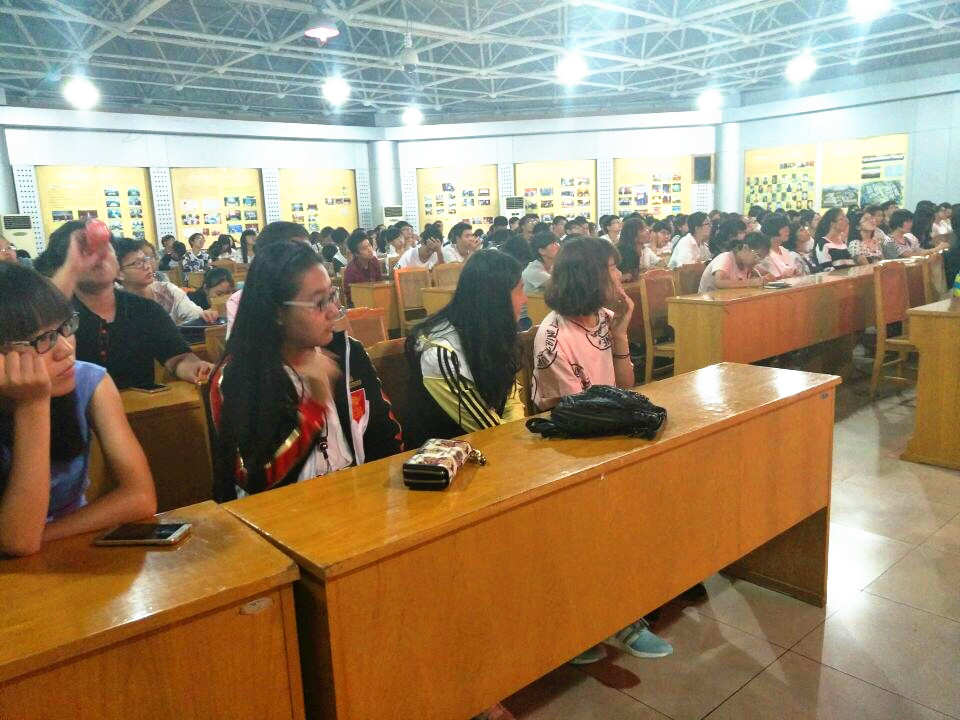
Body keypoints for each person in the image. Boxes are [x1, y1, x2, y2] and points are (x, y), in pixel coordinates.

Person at [531, 236, 673, 662]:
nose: (620, 274)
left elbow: (624, 387)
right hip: (571, 446)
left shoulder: (605, 319)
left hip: (609, 432)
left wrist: (622, 334)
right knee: (609, 512)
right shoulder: (553, 335)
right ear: (589, 275)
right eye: (612, 267)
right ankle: (611, 619)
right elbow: (578, 413)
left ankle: (638, 597)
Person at [208, 241, 401, 501]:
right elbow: (254, 477)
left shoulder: (346, 353)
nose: (334, 311)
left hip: (354, 501)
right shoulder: (239, 375)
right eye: (319, 302)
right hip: (279, 514)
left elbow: (385, 432)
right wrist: (313, 405)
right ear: (278, 312)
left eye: (332, 296)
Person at [0, 263, 157, 556]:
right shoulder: (38, 397)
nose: (66, 349)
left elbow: (140, 497)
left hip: (67, 549)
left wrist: (44, 535)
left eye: (65, 328)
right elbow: (17, 541)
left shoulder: (89, 382)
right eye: (42, 339)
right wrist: (33, 405)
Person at [35, 222, 212, 389]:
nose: (98, 258)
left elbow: (178, 357)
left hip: (143, 407)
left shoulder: (145, 310)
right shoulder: (52, 317)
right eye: (85, 252)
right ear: (63, 266)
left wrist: (194, 367)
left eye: (104, 249)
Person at [404, 250, 525, 448]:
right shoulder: (440, 352)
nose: (525, 299)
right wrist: (519, 436)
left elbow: (510, 394)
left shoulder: (490, 331)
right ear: (496, 298)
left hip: (491, 445)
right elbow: (485, 428)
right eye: (520, 290)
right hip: (446, 457)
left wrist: (518, 429)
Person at [226, 222, 311, 335]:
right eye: (297, 253)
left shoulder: (318, 290)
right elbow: (242, 343)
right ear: (269, 256)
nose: (309, 260)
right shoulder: (240, 301)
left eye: (309, 252)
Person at [115, 238, 220, 325]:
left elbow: (195, 314)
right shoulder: (114, 303)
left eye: (148, 258)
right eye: (138, 263)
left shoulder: (168, 290)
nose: (147, 265)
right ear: (119, 272)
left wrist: (205, 315)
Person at [699, 233, 772, 292]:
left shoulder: (747, 265)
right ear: (745, 248)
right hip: (707, 302)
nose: (757, 261)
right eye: (757, 256)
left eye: (761, 259)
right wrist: (751, 282)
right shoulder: (725, 258)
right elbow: (719, 282)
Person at [342, 229, 382, 306]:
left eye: (369, 245)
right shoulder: (351, 270)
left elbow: (380, 283)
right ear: (356, 253)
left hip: (375, 299)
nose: (370, 250)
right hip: (359, 304)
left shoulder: (374, 261)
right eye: (364, 248)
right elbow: (350, 296)